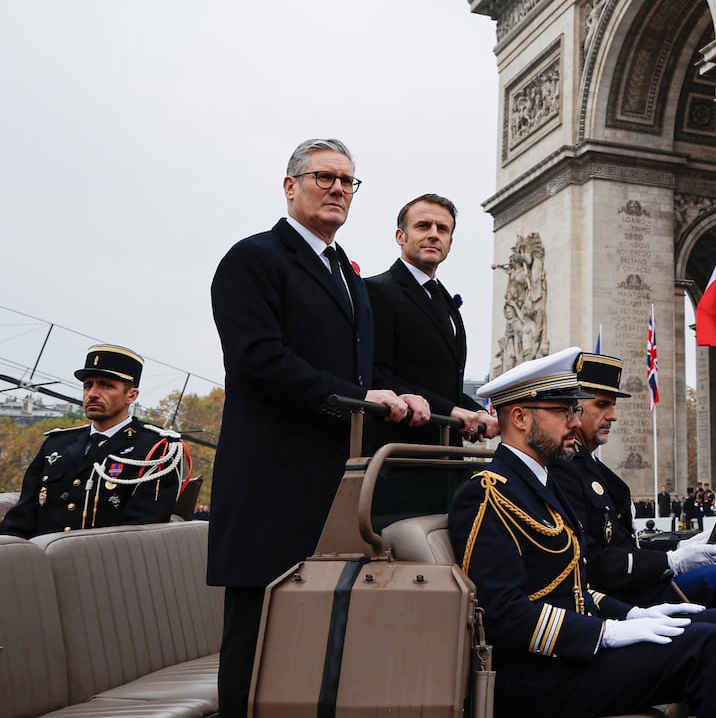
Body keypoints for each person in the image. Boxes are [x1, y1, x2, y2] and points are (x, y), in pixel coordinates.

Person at [209, 138, 432, 718]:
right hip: (272, 483)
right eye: (324, 177)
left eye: (348, 182)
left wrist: (397, 398)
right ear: (290, 186)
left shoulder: (348, 275)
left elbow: (363, 370)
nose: (338, 189)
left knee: (322, 640)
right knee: (257, 641)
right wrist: (362, 398)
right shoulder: (252, 258)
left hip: (339, 482)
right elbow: (260, 360)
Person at [450, 350, 716, 718]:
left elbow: (577, 588)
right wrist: (604, 634)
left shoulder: (541, 483)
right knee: (706, 645)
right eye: (562, 411)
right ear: (519, 418)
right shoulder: (486, 494)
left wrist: (631, 616)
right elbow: (502, 614)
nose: (573, 422)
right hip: (540, 675)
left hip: (570, 653)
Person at [547, 351, 716, 666]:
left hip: (631, 582)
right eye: (602, 405)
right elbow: (596, 561)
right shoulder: (566, 470)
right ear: (575, 409)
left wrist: (681, 543)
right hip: (620, 597)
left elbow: (625, 543)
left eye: (613, 405)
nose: (613, 416)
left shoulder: (589, 467)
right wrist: (673, 560)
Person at [2, 345, 185, 538]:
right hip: (40, 563)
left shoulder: (156, 450)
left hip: (104, 564)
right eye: (88, 385)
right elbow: (21, 520)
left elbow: (142, 533)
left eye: (106, 385)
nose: (93, 394)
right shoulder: (56, 445)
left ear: (131, 395)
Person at [365, 193, 497, 452]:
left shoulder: (447, 302)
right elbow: (374, 374)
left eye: (443, 229)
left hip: (446, 453)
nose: (434, 234)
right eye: (423, 226)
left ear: (450, 242)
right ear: (400, 236)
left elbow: (442, 384)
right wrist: (450, 410)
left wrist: (476, 412)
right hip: (397, 454)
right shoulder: (375, 291)